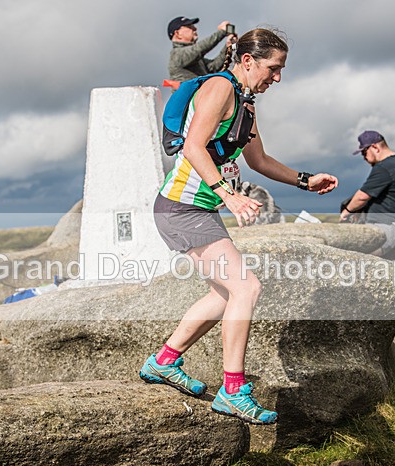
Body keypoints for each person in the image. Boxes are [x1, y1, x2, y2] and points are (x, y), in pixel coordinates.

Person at [140, 28, 338, 425]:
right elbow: (194, 147)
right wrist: (228, 195)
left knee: (224, 293)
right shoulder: (219, 88)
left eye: (281, 70)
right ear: (248, 60)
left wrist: (305, 180)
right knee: (246, 287)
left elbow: (259, 160)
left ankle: (163, 362)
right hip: (181, 207)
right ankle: (233, 391)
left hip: (197, 209)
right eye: (273, 68)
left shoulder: (246, 102)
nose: (277, 77)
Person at [339, 131, 395, 256]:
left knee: (358, 259)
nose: (364, 157)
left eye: (364, 152)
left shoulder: (386, 166)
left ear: (374, 147)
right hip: (392, 225)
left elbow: (362, 197)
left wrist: (346, 212)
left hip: (392, 227)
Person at [167, 16, 237, 82]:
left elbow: (214, 67)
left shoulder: (192, 56)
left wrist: (228, 46)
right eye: (189, 26)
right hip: (191, 91)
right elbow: (199, 49)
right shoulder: (176, 54)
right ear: (177, 33)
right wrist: (222, 32)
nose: (195, 28)